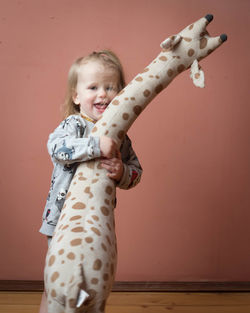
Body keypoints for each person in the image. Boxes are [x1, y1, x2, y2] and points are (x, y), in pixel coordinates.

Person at [39, 50, 142, 313]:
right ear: (76, 96)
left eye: (111, 87)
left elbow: (136, 171)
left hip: (96, 225)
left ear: (122, 95)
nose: (102, 94)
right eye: (93, 87)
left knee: (90, 284)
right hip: (61, 220)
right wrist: (96, 145)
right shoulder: (73, 125)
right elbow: (57, 149)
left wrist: (121, 172)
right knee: (58, 283)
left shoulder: (121, 138)